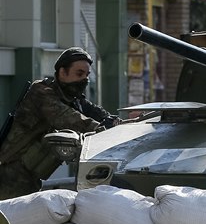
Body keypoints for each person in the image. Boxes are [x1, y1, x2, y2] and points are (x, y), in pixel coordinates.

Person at [0, 47, 120, 200]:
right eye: (79, 74)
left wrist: (119, 124)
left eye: (86, 75)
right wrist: (104, 130)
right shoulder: (41, 92)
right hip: (10, 173)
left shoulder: (72, 98)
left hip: (29, 174)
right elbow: (68, 118)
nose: (84, 79)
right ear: (62, 73)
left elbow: (99, 113)